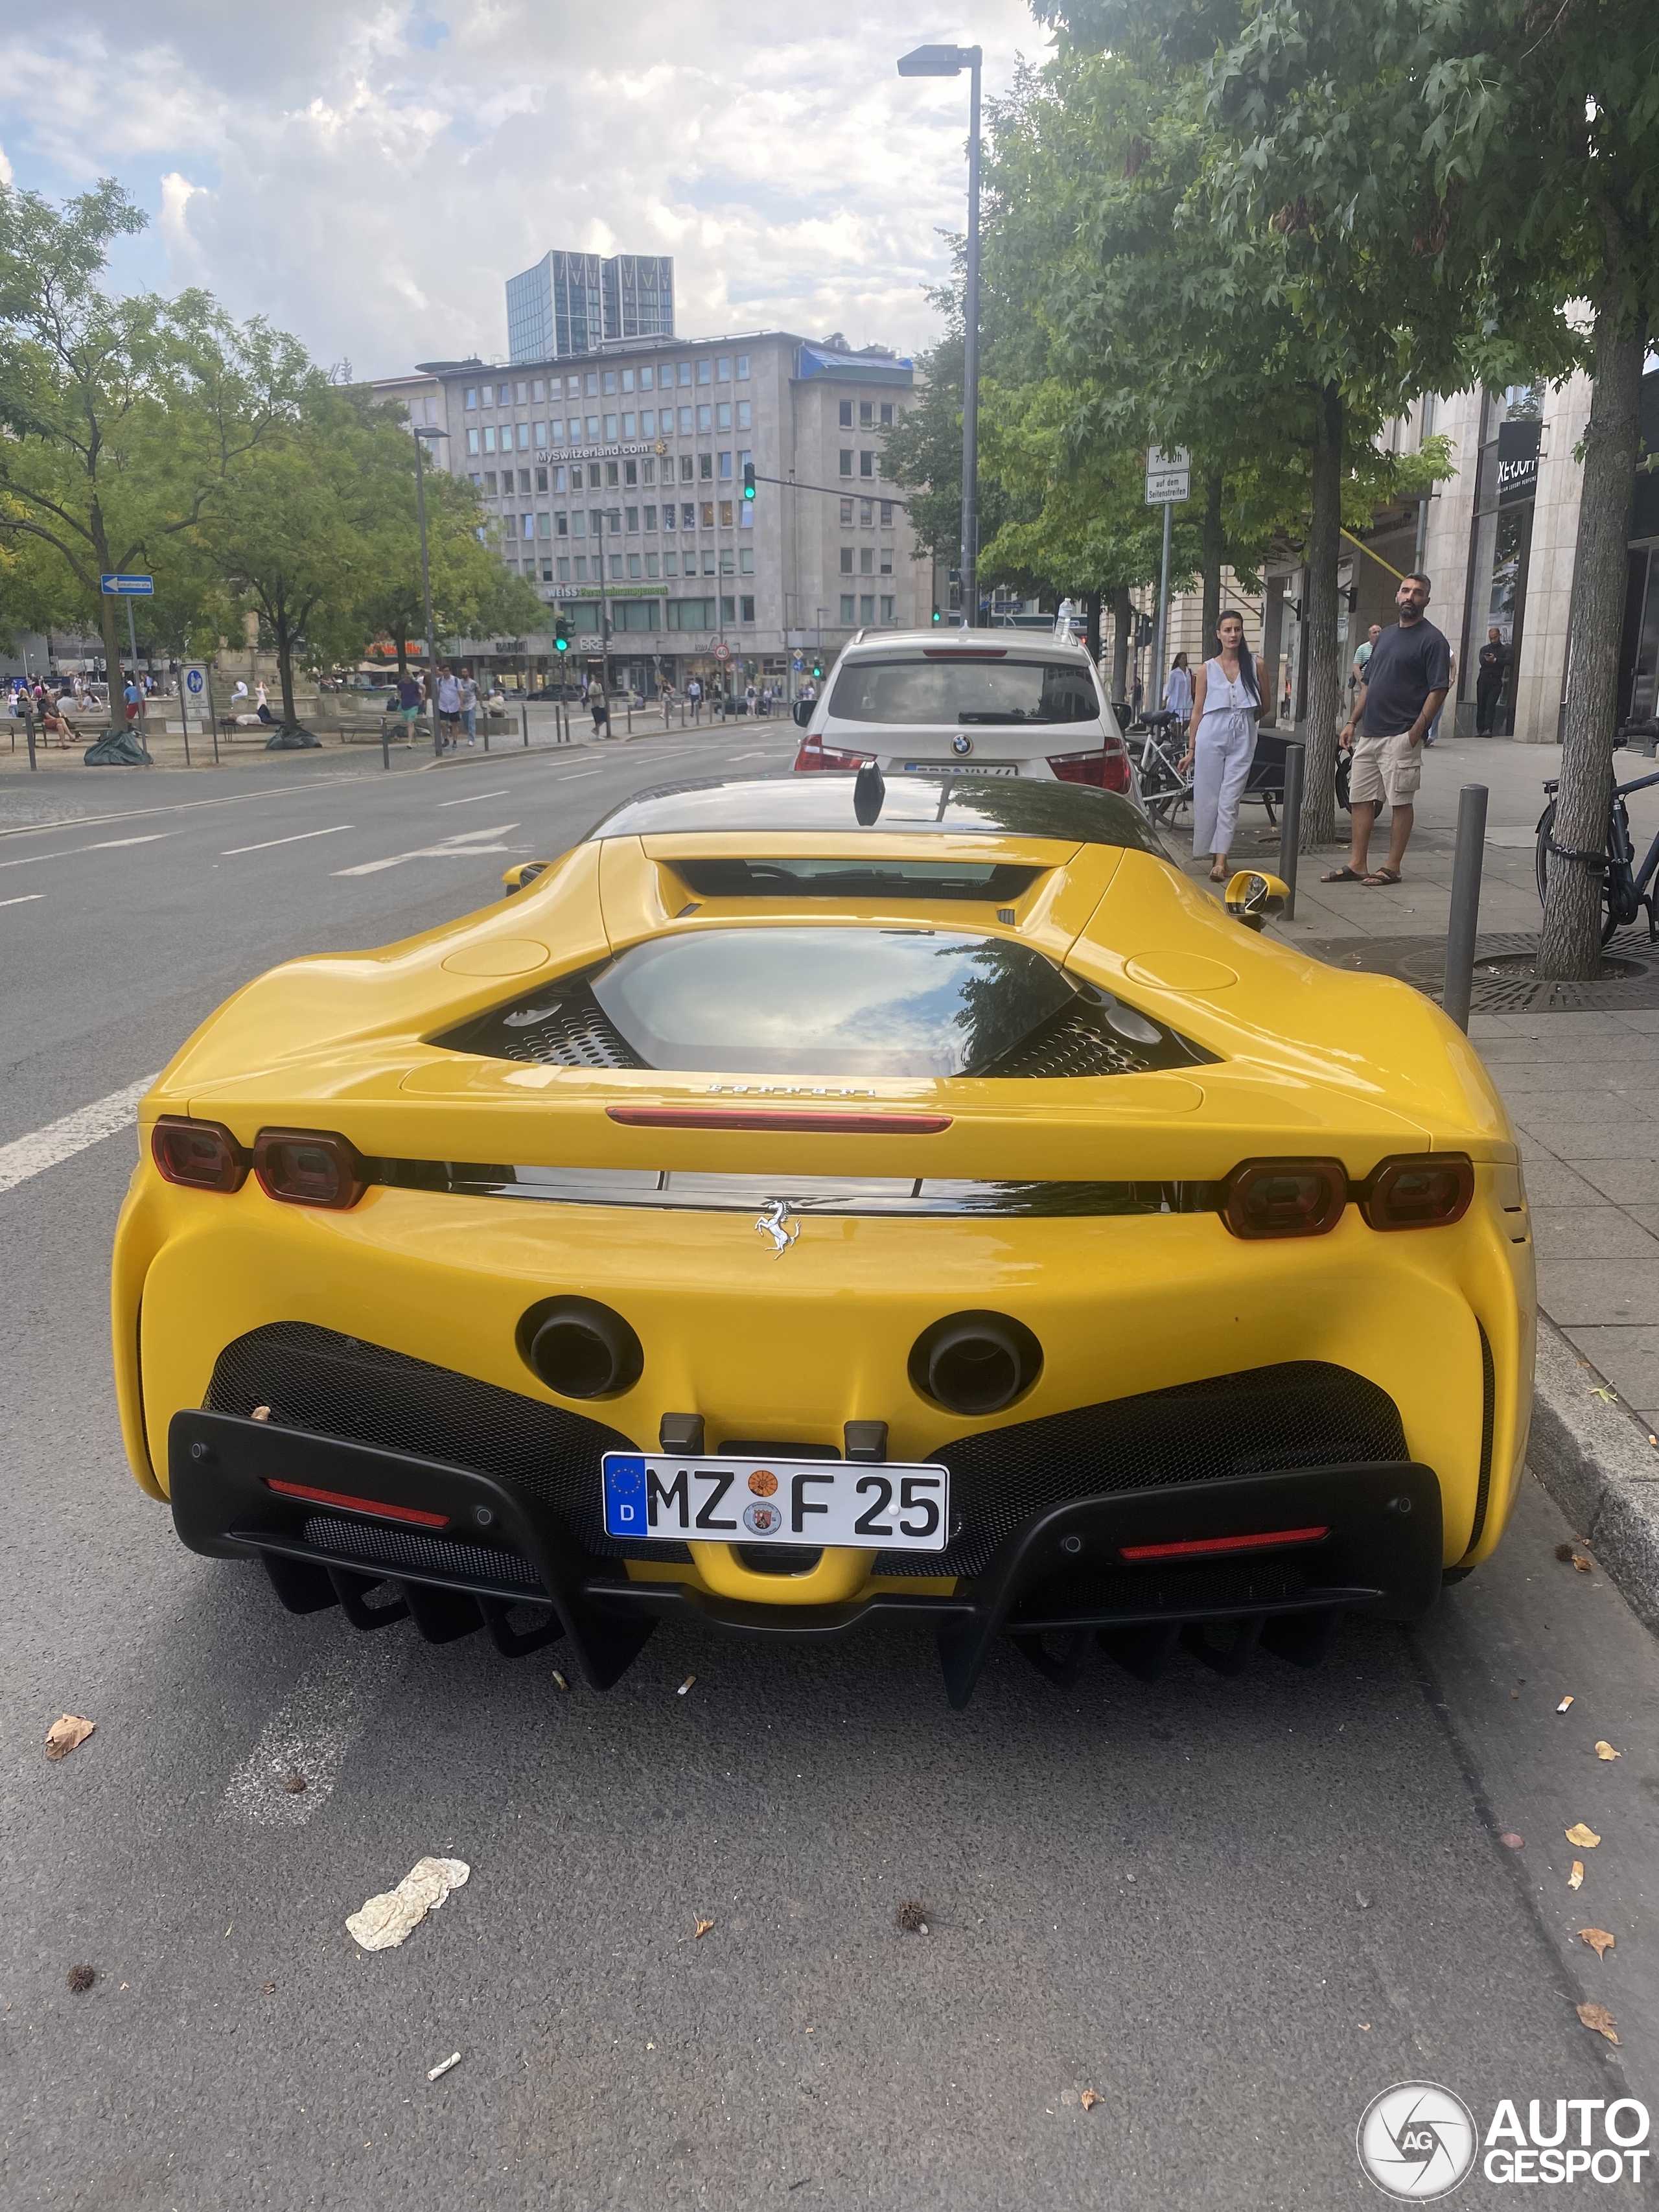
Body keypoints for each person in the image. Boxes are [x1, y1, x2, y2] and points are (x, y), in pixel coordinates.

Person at [1323, 570, 1451, 889]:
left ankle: (1392, 867)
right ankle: (1358, 862)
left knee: (1400, 801)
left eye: (1418, 593)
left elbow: (1439, 689)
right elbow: (1368, 684)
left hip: (1402, 734)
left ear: (1427, 600)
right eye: (1405, 590)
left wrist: (1417, 731)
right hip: (1371, 733)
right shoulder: (1386, 637)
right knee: (1360, 798)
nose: (1410, 597)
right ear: (1397, 596)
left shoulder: (1433, 640)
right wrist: (1352, 721)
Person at [1178, 611, 1263, 883]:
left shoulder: (1255, 665)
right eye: (1227, 630)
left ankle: (1221, 859)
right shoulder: (1207, 669)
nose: (1233, 635)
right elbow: (1197, 711)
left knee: (1230, 797)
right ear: (1219, 634)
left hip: (1243, 731)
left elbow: (1266, 704)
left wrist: (1246, 724)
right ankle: (1214, 856)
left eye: (1237, 629)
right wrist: (1191, 749)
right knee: (1209, 796)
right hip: (1211, 732)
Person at [1476, 627, 1512, 737]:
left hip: (1496, 680)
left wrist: (1495, 660)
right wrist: (1490, 660)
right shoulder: (1485, 649)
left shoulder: (1505, 649)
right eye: (1491, 638)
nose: (1493, 640)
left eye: (1495, 637)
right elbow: (1483, 662)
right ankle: (1480, 729)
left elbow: (1509, 660)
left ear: (1499, 636)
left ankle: (1488, 729)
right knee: (1481, 703)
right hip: (1484, 679)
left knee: (1491, 704)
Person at [435, 664, 461, 754]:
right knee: (442, 723)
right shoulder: (439, 681)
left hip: (454, 705)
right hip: (443, 705)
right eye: (445, 671)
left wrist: (461, 704)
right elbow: (437, 693)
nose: (446, 673)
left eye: (448, 671)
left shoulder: (456, 680)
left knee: (455, 724)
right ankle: (446, 739)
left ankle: (455, 741)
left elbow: (460, 692)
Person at [1163, 652, 1193, 721]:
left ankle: (1181, 732)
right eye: (1183, 658)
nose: (1185, 660)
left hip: (1187, 700)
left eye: (1186, 658)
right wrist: (1165, 700)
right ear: (1179, 660)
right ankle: (1178, 732)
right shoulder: (1174, 673)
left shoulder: (1190, 672)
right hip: (1177, 700)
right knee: (1177, 720)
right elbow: (1169, 688)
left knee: (1187, 719)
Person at [458, 666, 478, 747]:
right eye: (462, 672)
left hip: (472, 703)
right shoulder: (459, 682)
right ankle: (469, 733)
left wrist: (481, 702)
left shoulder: (473, 683)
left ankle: (471, 739)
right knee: (465, 723)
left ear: (468, 673)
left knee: (471, 722)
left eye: (465, 672)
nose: (463, 673)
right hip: (463, 704)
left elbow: (478, 692)